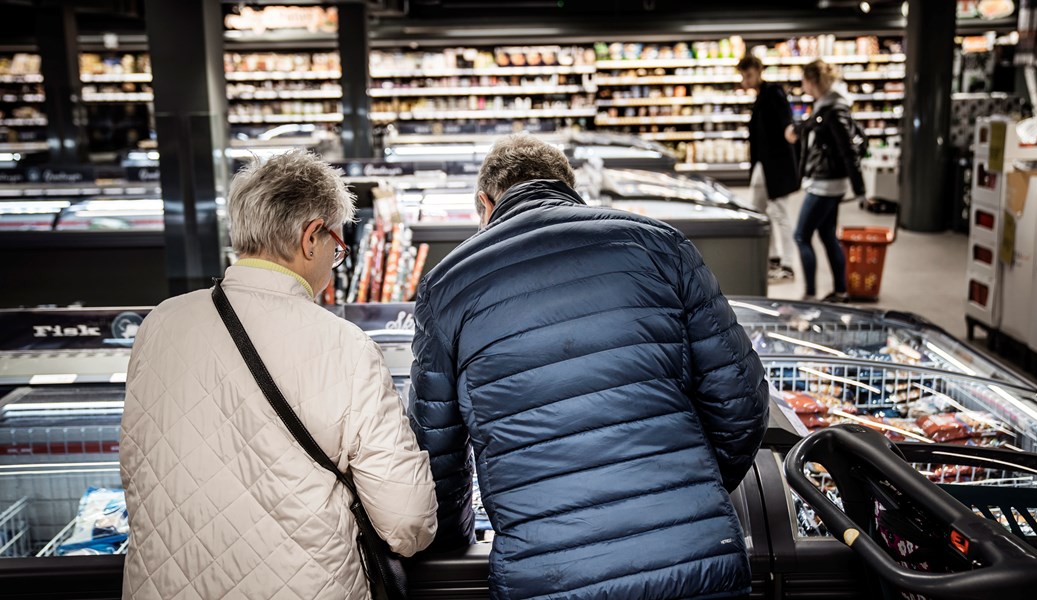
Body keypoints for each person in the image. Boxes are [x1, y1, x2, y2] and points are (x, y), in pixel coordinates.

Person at [409, 134, 769, 600]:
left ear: (484, 203)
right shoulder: (661, 246)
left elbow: (437, 455)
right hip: (692, 558)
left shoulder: (446, 287)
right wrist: (688, 489)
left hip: (548, 573)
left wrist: (456, 543)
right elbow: (742, 406)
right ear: (570, 189)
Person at [119, 150, 438, 600]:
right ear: (311, 238)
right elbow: (407, 520)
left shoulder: (159, 324)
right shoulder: (344, 346)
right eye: (337, 247)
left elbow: (136, 472)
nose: (333, 259)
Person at [785, 59, 866, 303]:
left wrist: (861, 191)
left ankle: (810, 294)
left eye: (803, 80)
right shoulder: (826, 106)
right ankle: (840, 291)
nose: (802, 85)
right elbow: (815, 129)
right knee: (827, 235)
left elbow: (847, 151)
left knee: (801, 235)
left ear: (812, 81)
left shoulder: (834, 109)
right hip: (828, 182)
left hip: (826, 185)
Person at [738, 54, 800, 282]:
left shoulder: (773, 92)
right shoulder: (760, 96)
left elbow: (786, 119)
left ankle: (788, 265)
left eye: (749, 75)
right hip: (764, 166)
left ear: (758, 70)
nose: (746, 80)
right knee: (758, 211)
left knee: (781, 213)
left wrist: (789, 130)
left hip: (778, 166)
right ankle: (773, 257)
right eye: (744, 76)